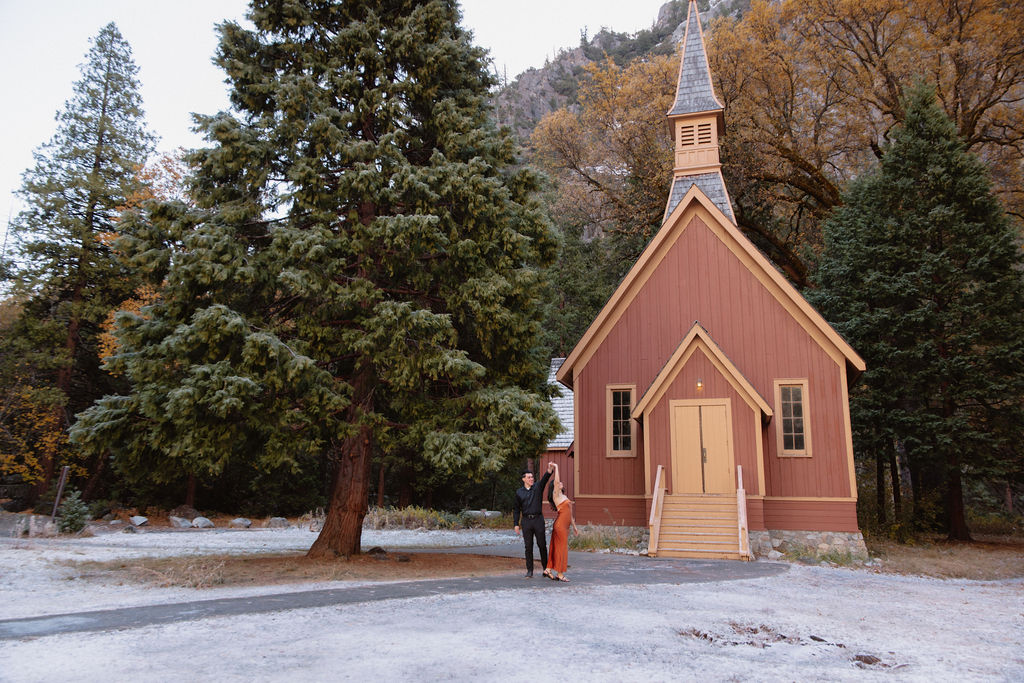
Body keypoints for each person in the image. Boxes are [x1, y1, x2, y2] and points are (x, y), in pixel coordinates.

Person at [513, 462, 555, 578]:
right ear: (523, 479)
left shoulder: (537, 487)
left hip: (538, 520)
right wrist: (516, 524)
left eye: (532, 477)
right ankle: (529, 570)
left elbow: (545, 479)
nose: (531, 479)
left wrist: (549, 470)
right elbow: (516, 509)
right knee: (528, 546)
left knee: (542, 544)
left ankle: (546, 569)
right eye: (529, 477)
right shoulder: (519, 492)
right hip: (526, 521)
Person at [543, 463, 580, 582]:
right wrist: (557, 467)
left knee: (557, 547)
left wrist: (574, 527)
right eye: (558, 483)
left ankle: (548, 569)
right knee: (561, 549)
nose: (560, 483)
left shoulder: (564, 496)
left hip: (565, 526)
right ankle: (559, 573)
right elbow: (556, 481)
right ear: (555, 486)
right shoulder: (556, 495)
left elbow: (570, 515)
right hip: (560, 526)